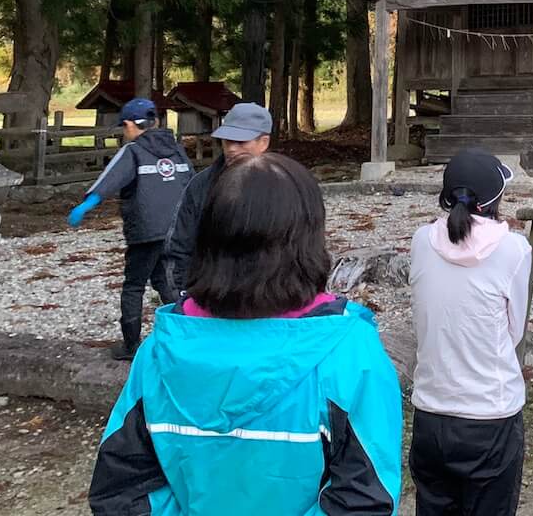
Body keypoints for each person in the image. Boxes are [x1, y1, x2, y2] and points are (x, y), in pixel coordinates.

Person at [88, 152, 402, 514]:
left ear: (208, 236)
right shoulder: (350, 354)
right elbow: (365, 498)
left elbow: (121, 491)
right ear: (309, 238)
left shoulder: (159, 352)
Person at [408, 147, 532, 514]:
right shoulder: (514, 250)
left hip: (430, 413)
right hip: (490, 416)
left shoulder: (420, 241)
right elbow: (514, 330)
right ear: (496, 198)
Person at [68, 97, 193, 360]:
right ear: (155, 121)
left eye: (124, 127)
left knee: (134, 285)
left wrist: (85, 206)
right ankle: (186, 336)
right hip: (177, 230)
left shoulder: (133, 150)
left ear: (129, 125)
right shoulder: (178, 150)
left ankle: (130, 344)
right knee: (167, 281)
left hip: (145, 231)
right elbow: (192, 184)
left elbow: (108, 181)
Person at [162, 101, 272, 295]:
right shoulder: (200, 185)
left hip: (272, 299)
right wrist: (181, 297)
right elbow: (179, 246)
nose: (231, 149)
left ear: (264, 142)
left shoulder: (284, 186)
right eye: (227, 140)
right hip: (210, 297)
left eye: (241, 142)